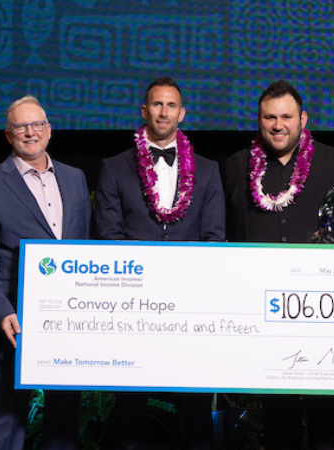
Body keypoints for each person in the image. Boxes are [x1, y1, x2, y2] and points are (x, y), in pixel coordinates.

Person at [224, 80, 334, 449]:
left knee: (332, 421)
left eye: (287, 117)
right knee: (278, 420)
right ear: (258, 120)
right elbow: (223, 231)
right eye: (270, 117)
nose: (278, 125)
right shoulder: (235, 167)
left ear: (303, 119)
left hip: (326, 314)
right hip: (265, 317)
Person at [95, 77, 225, 449]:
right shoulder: (114, 167)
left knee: (194, 410)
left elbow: (214, 238)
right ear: (144, 111)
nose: (163, 112)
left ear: (181, 114)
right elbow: (108, 237)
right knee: (131, 410)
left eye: (171, 105)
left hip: (190, 310)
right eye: (156, 104)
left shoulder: (208, 170)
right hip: (133, 309)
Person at [0, 95, 91, 449]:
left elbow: (86, 245)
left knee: (64, 413)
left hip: (69, 316)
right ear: (8, 135)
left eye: (37, 124)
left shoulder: (76, 178)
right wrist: (1, 310)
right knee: (6, 414)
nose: (30, 132)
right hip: (14, 319)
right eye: (20, 126)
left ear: (49, 130)